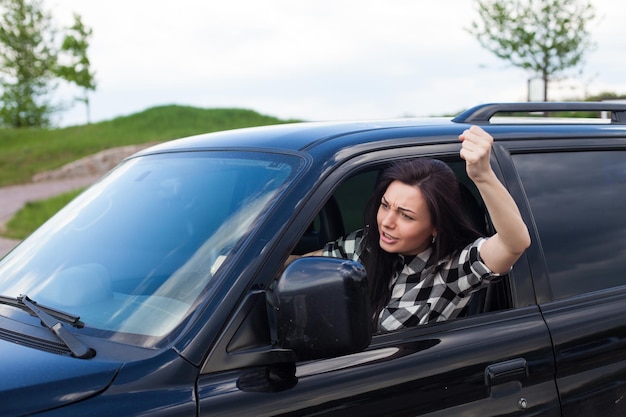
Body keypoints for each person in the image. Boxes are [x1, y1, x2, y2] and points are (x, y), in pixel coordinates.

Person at [296, 125, 531, 333]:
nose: (387, 222)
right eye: (385, 205)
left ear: (436, 227)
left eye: (406, 216)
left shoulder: (452, 270)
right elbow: (297, 267)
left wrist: (483, 175)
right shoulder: (365, 244)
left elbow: (514, 243)